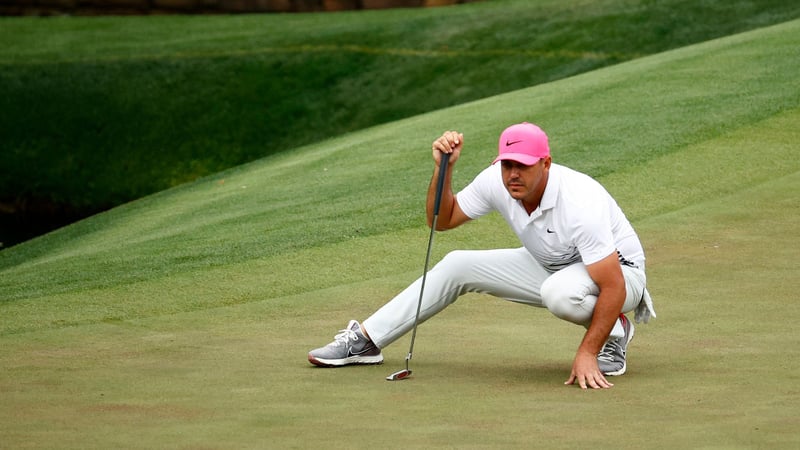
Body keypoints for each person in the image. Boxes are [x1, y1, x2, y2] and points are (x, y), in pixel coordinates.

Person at [308, 122, 655, 389]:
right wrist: (444, 170)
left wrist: (586, 353)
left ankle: (613, 334)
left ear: (546, 163)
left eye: (523, 165)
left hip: (622, 276)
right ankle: (366, 342)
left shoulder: (580, 201)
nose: (513, 174)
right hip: (552, 264)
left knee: (560, 294)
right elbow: (440, 220)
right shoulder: (497, 180)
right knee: (459, 263)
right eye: (507, 165)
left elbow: (611, 285)